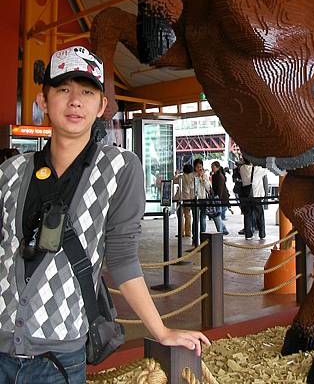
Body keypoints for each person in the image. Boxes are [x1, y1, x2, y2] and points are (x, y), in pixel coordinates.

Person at [0, 46, 209, 384]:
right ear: (43, 100)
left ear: (102, 106)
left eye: (86, 91)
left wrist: (160, 330)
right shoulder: (11, 172)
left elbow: (123, 259)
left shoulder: (119, 169)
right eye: (63, 89)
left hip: (58, 359)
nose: (74, 101)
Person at [193, 158, 225, 235]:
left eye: (200, 166)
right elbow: (191, 187)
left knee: (203, 218)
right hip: (194, 199)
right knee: (195, 219)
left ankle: (202, 234)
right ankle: (195, 236)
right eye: (197, 167)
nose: (199, 168)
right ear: (194, 167)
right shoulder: (192, 176)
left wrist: (203, 179)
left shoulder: (205, 176)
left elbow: (208, 188)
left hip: (203, 199)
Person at [239, 159, 266, 240]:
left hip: (246, 195)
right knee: (259, 215)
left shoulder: (242, 168)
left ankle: (248, 234)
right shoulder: (257, 169)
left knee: (247, 215)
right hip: (256, 195)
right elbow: (266, 169)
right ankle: (262, 234)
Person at [173, 163, 195, 237]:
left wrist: (176, 174)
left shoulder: (181, 177)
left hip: (181, 198)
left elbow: (173, 181)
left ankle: (181, 232)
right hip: (189, 199)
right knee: (188, 215)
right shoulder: (193, 177)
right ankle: (188, 232)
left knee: (180, 216)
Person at [210, 161, 230, 235]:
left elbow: (220, 189)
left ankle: (220, 231)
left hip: (219, 198)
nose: (212, 168)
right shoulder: (216, 175)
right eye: (211, 167)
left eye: (213, 167)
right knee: (217, 215)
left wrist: (217, 198)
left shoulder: (219, 176)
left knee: (217, 216)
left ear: (217, 167)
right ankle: (223, 230)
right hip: (219, 198)